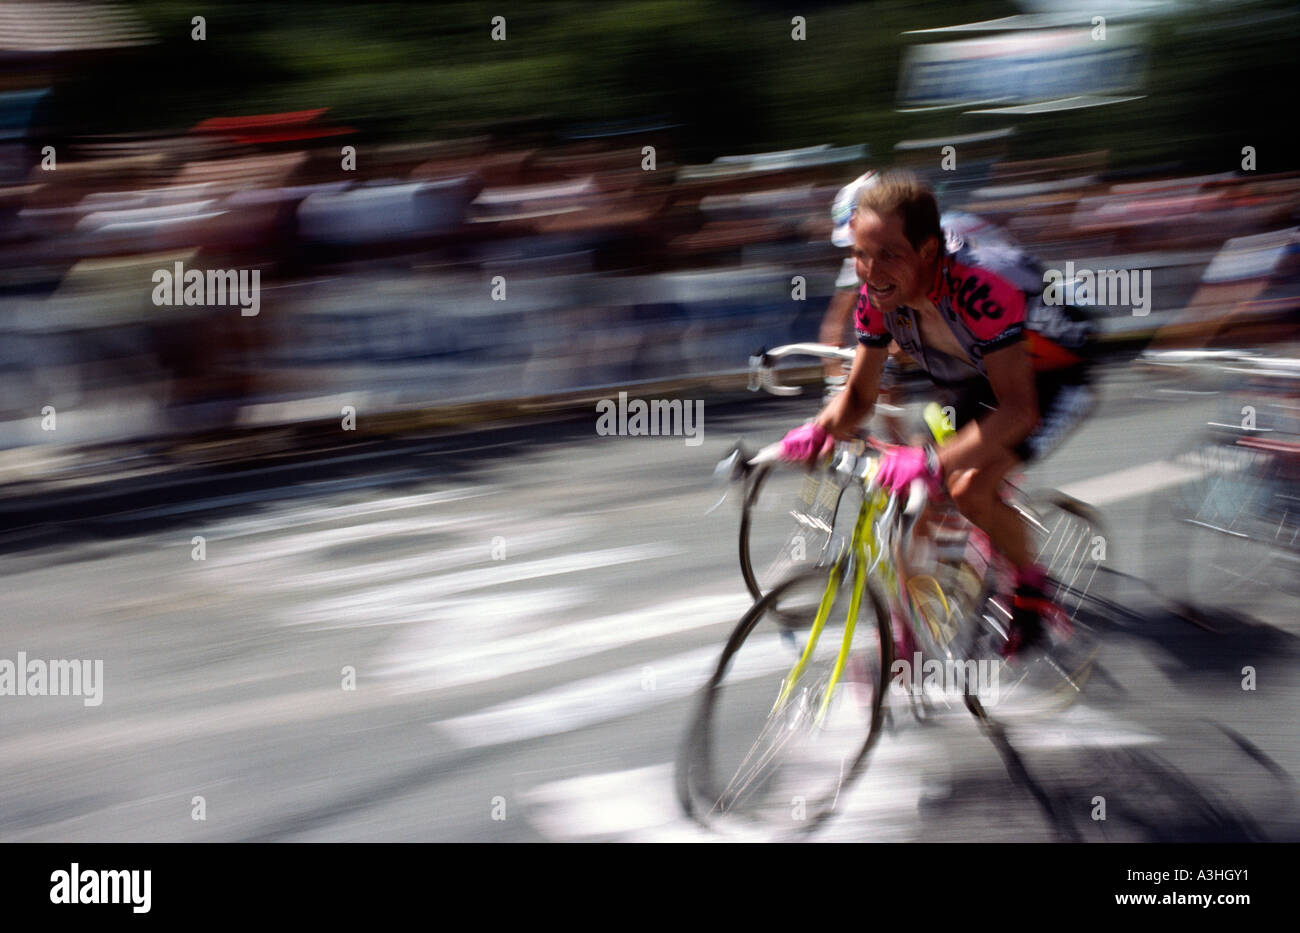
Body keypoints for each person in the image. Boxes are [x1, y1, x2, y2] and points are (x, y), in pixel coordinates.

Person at [783, 170, 1094, 656]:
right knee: (917, 509)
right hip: (977, 372)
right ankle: (917, 632)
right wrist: (814, 430)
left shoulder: (980, 290)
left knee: (969, 487)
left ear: (928, 251)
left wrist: (932, 463)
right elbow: (860, 399)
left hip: (1055, 372)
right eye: (860, 255)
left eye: (888, 254)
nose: (870, 270)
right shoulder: (878, 297)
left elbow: (1018, 411)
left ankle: (1033, 588)